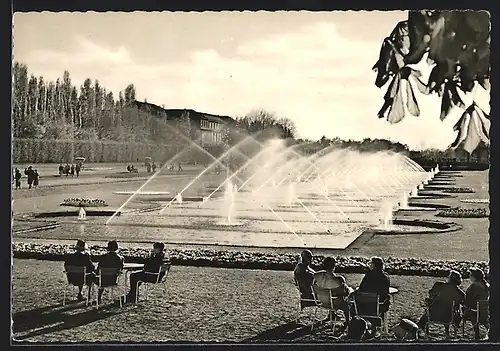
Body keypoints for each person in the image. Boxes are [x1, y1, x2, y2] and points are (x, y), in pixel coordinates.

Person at [417, 270, 465, 337]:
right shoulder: (460, 293)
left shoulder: (439, 285)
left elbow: (431, 294)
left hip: (434, 315)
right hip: (450, 317)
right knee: (449, 309)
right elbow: (463, 303)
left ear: (449, 278)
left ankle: (426, 333)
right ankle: (447, 332)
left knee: (428, 313)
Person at [313, 257, 354, 327]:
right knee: (346, 303)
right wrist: (350, 290)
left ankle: (331, 315)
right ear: (334, 266)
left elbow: (314, 284)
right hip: (335, 303)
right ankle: (347, 321)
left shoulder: (317, 276)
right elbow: (345, 292)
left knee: (331, 296)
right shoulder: (339, 279)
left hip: (322, 300)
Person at [463, 268, 490, 339]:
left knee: (468, 309)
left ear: (474, 277)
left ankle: (476, 332)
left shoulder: (473, 286)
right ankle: (487, 329)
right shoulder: (487, 285)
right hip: (487, 311)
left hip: (476, 312)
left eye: (470, 275)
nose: (469, 277)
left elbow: (467, 299)